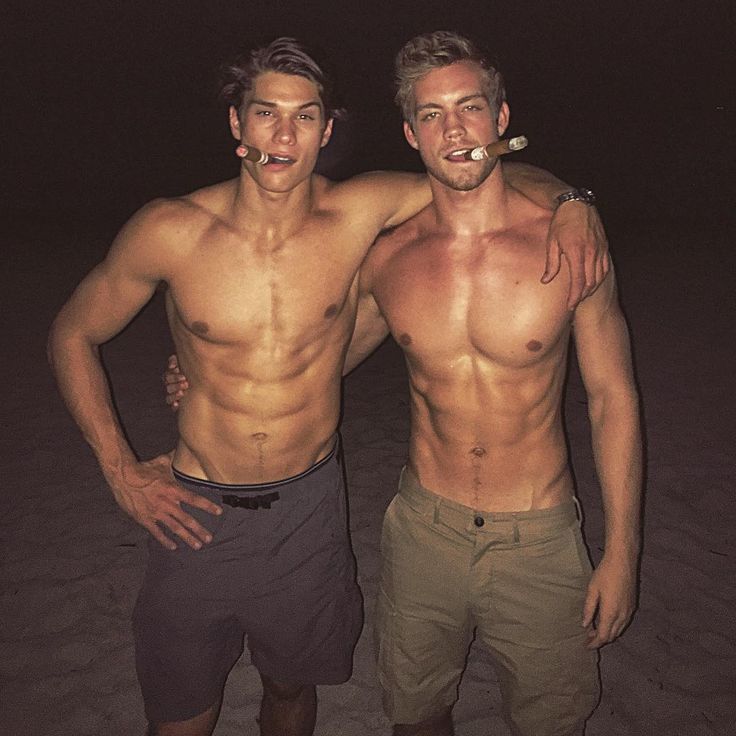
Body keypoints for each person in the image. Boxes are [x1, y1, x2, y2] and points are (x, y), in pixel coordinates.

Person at [49, 37, 609, 736]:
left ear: (327, 131)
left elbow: (473, 164)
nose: (284, 136)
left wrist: (573, 200)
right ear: (237, 122)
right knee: (180, 716)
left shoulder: (359, 211)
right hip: (195, 507)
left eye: (305, 117)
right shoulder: (170, 229)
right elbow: (72, 333)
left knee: (292, 689)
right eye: (266, 113)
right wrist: (120, 472)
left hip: (309, 510)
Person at [348, 32, 641, 736]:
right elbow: (314, 361)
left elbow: (613, 401)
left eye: (470, 107)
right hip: (423, 530)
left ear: (501, 118)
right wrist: (198, 372)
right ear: (410, 133)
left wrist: (623, 553)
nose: (454, 129)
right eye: (431, 114)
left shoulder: (569, 244)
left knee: (552, 723)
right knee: (417, 716)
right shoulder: (388, 257)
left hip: (538, 536)